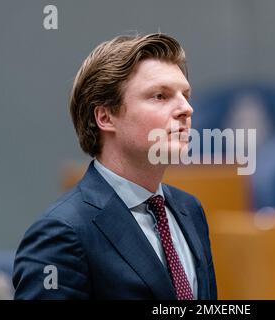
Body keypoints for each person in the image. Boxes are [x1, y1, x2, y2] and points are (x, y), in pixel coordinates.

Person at [12, 33, 217, 299]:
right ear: (106, 117)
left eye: (185, 94)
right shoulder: (62, 233)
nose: (186, 108)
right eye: (160, 96)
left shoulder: (190, 210)